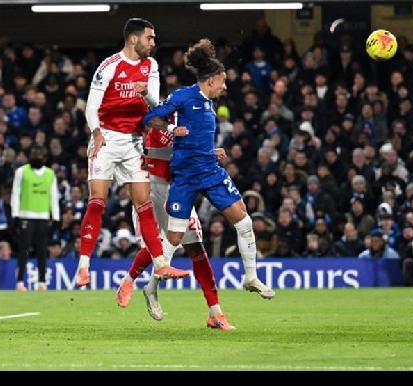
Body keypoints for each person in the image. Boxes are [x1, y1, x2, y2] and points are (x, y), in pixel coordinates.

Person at [143, 39, 275, 308]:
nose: (225, 87)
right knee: (175, 239)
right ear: (212, 80)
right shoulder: (183, 97)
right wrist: (170, 130)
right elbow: (151, 119)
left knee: (244, 222)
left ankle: (251, 277)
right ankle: (151, 288)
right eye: (223, 81)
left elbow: (198, 136)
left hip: (211, 171)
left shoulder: (208, 104)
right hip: (185, 176)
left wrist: (213, 151)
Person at [77, 18, 188, 287]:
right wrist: (96, 133)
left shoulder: (151, 66)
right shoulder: (109, 66)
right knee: (98, 201)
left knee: (144, 203)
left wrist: (146, 95)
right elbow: (91, 107)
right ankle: (83, 266)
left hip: (134, 142)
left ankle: (161, 264)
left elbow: (155, 104)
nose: (153, 43)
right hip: (106, 137)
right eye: (150, 38)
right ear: (133, 39)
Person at [116, 123, 235, 330]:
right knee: (158, 247)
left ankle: (215, 313)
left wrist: (207, 154)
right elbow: (163, 158)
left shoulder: (188, 124)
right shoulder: (159, 127)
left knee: (197, 248)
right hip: (154, 191)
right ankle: (129, 281)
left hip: (180, 192)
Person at [10, 145, 59, 291]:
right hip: (26, 216)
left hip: (43, 217)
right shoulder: (21, 172)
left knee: (42, 250)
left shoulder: (50, 174)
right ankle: (19, 281)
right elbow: (15, 193)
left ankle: (42, 282)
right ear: (29, 156)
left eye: (39, 154)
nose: (36, 156)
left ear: (44, 157)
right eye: (33, 154)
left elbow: (53, 197)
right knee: (23, 250)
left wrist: (55, 217)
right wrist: (15, 215)